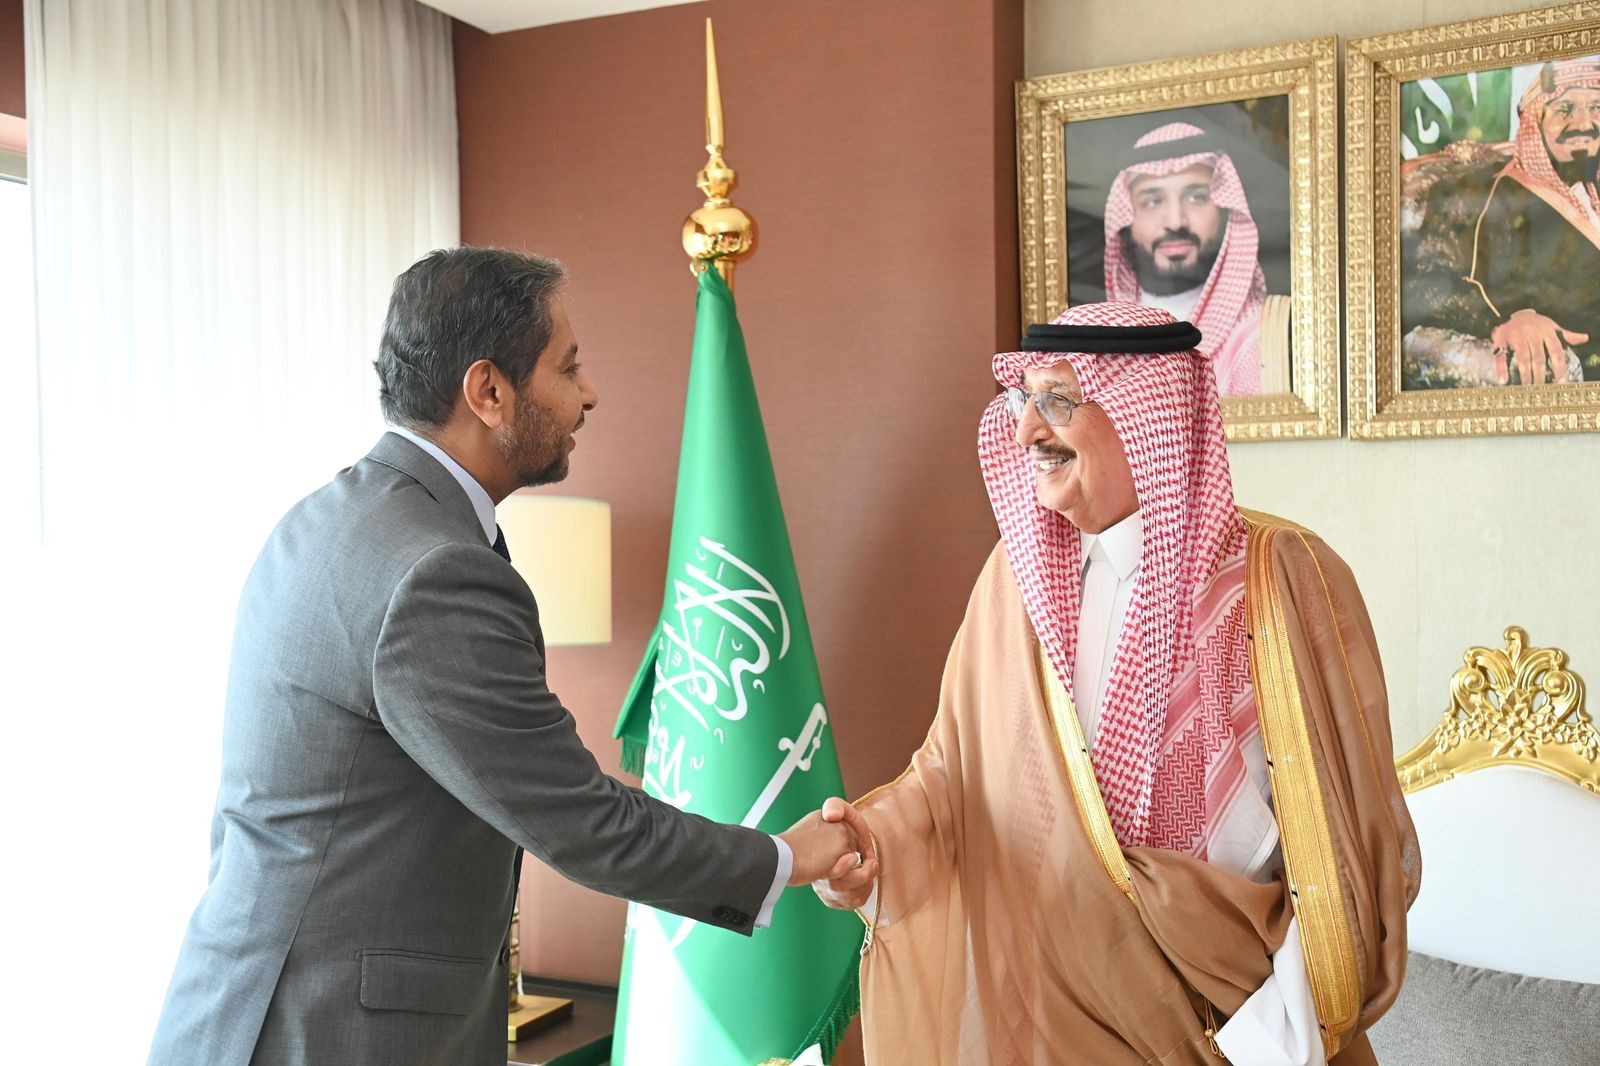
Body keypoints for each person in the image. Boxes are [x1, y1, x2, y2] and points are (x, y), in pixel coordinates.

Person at [149, 247, 870, 1066]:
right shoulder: (435, 572)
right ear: (488, 392)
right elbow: (583, 824)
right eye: (569, 367)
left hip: (250, 1013)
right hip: (328, 1034)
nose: (589, 394)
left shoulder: (330, 518)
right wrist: (787, 857)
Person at [815, 302, 1419, 1064]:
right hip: (1059, 1018)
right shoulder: (1018, 583)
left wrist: (1267, 1043)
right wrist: (869, 846)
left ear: (1148, 418)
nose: (1027, 431)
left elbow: (1344, 846)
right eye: (1023, 400)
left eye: (1058, 402)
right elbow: (951, 777)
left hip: (1244, 1024)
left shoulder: (1280, 581)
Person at [1102, 122, 1280, 396]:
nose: (1175, 222)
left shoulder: (1261, 341)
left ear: (1223, 210)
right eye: (1153, 201)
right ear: (1126, 219)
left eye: (1196, 197)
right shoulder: (1100, 341)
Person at [1462, 58, 1600, 384]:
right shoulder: (1511, 193)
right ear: (1535, 122)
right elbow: (1484, 280)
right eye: (1564, 109)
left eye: (1596, 107)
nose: (1585, 123)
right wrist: (1519, 317)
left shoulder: (1591, 184)